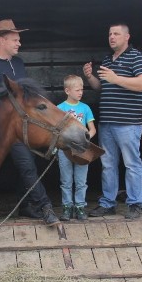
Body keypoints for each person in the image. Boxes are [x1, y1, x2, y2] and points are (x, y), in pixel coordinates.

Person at [0, 19, 58, 226]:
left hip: (22, 127)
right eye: (15, 40)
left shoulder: (18, 63)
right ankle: (44, 207)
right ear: (3, 40)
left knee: (28, 165)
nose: (19, 43)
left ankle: (28, 206)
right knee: (8, 167)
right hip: (1, 129)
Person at [82, 23, 142, 220]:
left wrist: (116, 78)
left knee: (131, 164)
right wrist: (90, 77)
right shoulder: (107, 60)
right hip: (107, 123)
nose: (112, 37)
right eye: (110, 34)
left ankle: (136, 203)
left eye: (116, 34)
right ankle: (108, 204)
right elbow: (101, 87)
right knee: (108, 164)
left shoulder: (137, 57)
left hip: (128, 123)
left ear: (127, 37)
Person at [56, 74, 96, 221]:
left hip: (81, 150)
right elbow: (56, 130)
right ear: (67, 91)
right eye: (77, 90)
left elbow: (92, 129)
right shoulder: (59, 109)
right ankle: (67, 208)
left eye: (82, 89)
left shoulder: (85, 108)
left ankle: (80, 207)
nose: (81, 92)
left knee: (81, 181)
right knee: (66, 181)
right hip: (65, 150)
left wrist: (86, 139)